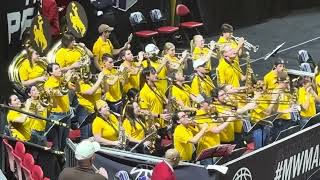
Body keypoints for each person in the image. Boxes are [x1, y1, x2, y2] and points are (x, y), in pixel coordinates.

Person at [44, 63, 72, 150]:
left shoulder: (62, 80)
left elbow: (76, 89)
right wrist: (66, 79)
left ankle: (63, 161)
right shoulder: (48, 84)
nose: (59, 70)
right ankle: (56, 162)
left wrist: (75, 79)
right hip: (57, 116)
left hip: (67, 115)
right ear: (50, 72)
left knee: (64, 143)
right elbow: (59, 93)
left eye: (59, 68)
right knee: (57, 145)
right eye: (56, 69)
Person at [75, 71, 104, 139]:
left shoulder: (91, 83)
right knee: (86, 136)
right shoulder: (80, 84)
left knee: (91, 135)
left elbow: (105, 90)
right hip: (84, 110)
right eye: (86, 73)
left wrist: (104, 80)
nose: (89, 74)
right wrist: (99, 79)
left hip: (92, 110)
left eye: (89, 72)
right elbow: (90, 92)